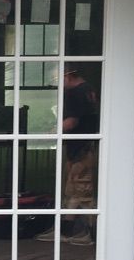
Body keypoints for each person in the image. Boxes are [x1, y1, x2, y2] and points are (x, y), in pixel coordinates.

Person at [38, 65, 99, 245]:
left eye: (58, 80)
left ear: (69, 76)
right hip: (83, 146)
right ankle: (66, 230)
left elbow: (71, 122)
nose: (57, 85)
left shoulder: (75, 93)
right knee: (73, 190)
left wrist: (51, 132)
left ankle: (90, 233)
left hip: (81, 148)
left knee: (82, 190)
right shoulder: (88, 90)